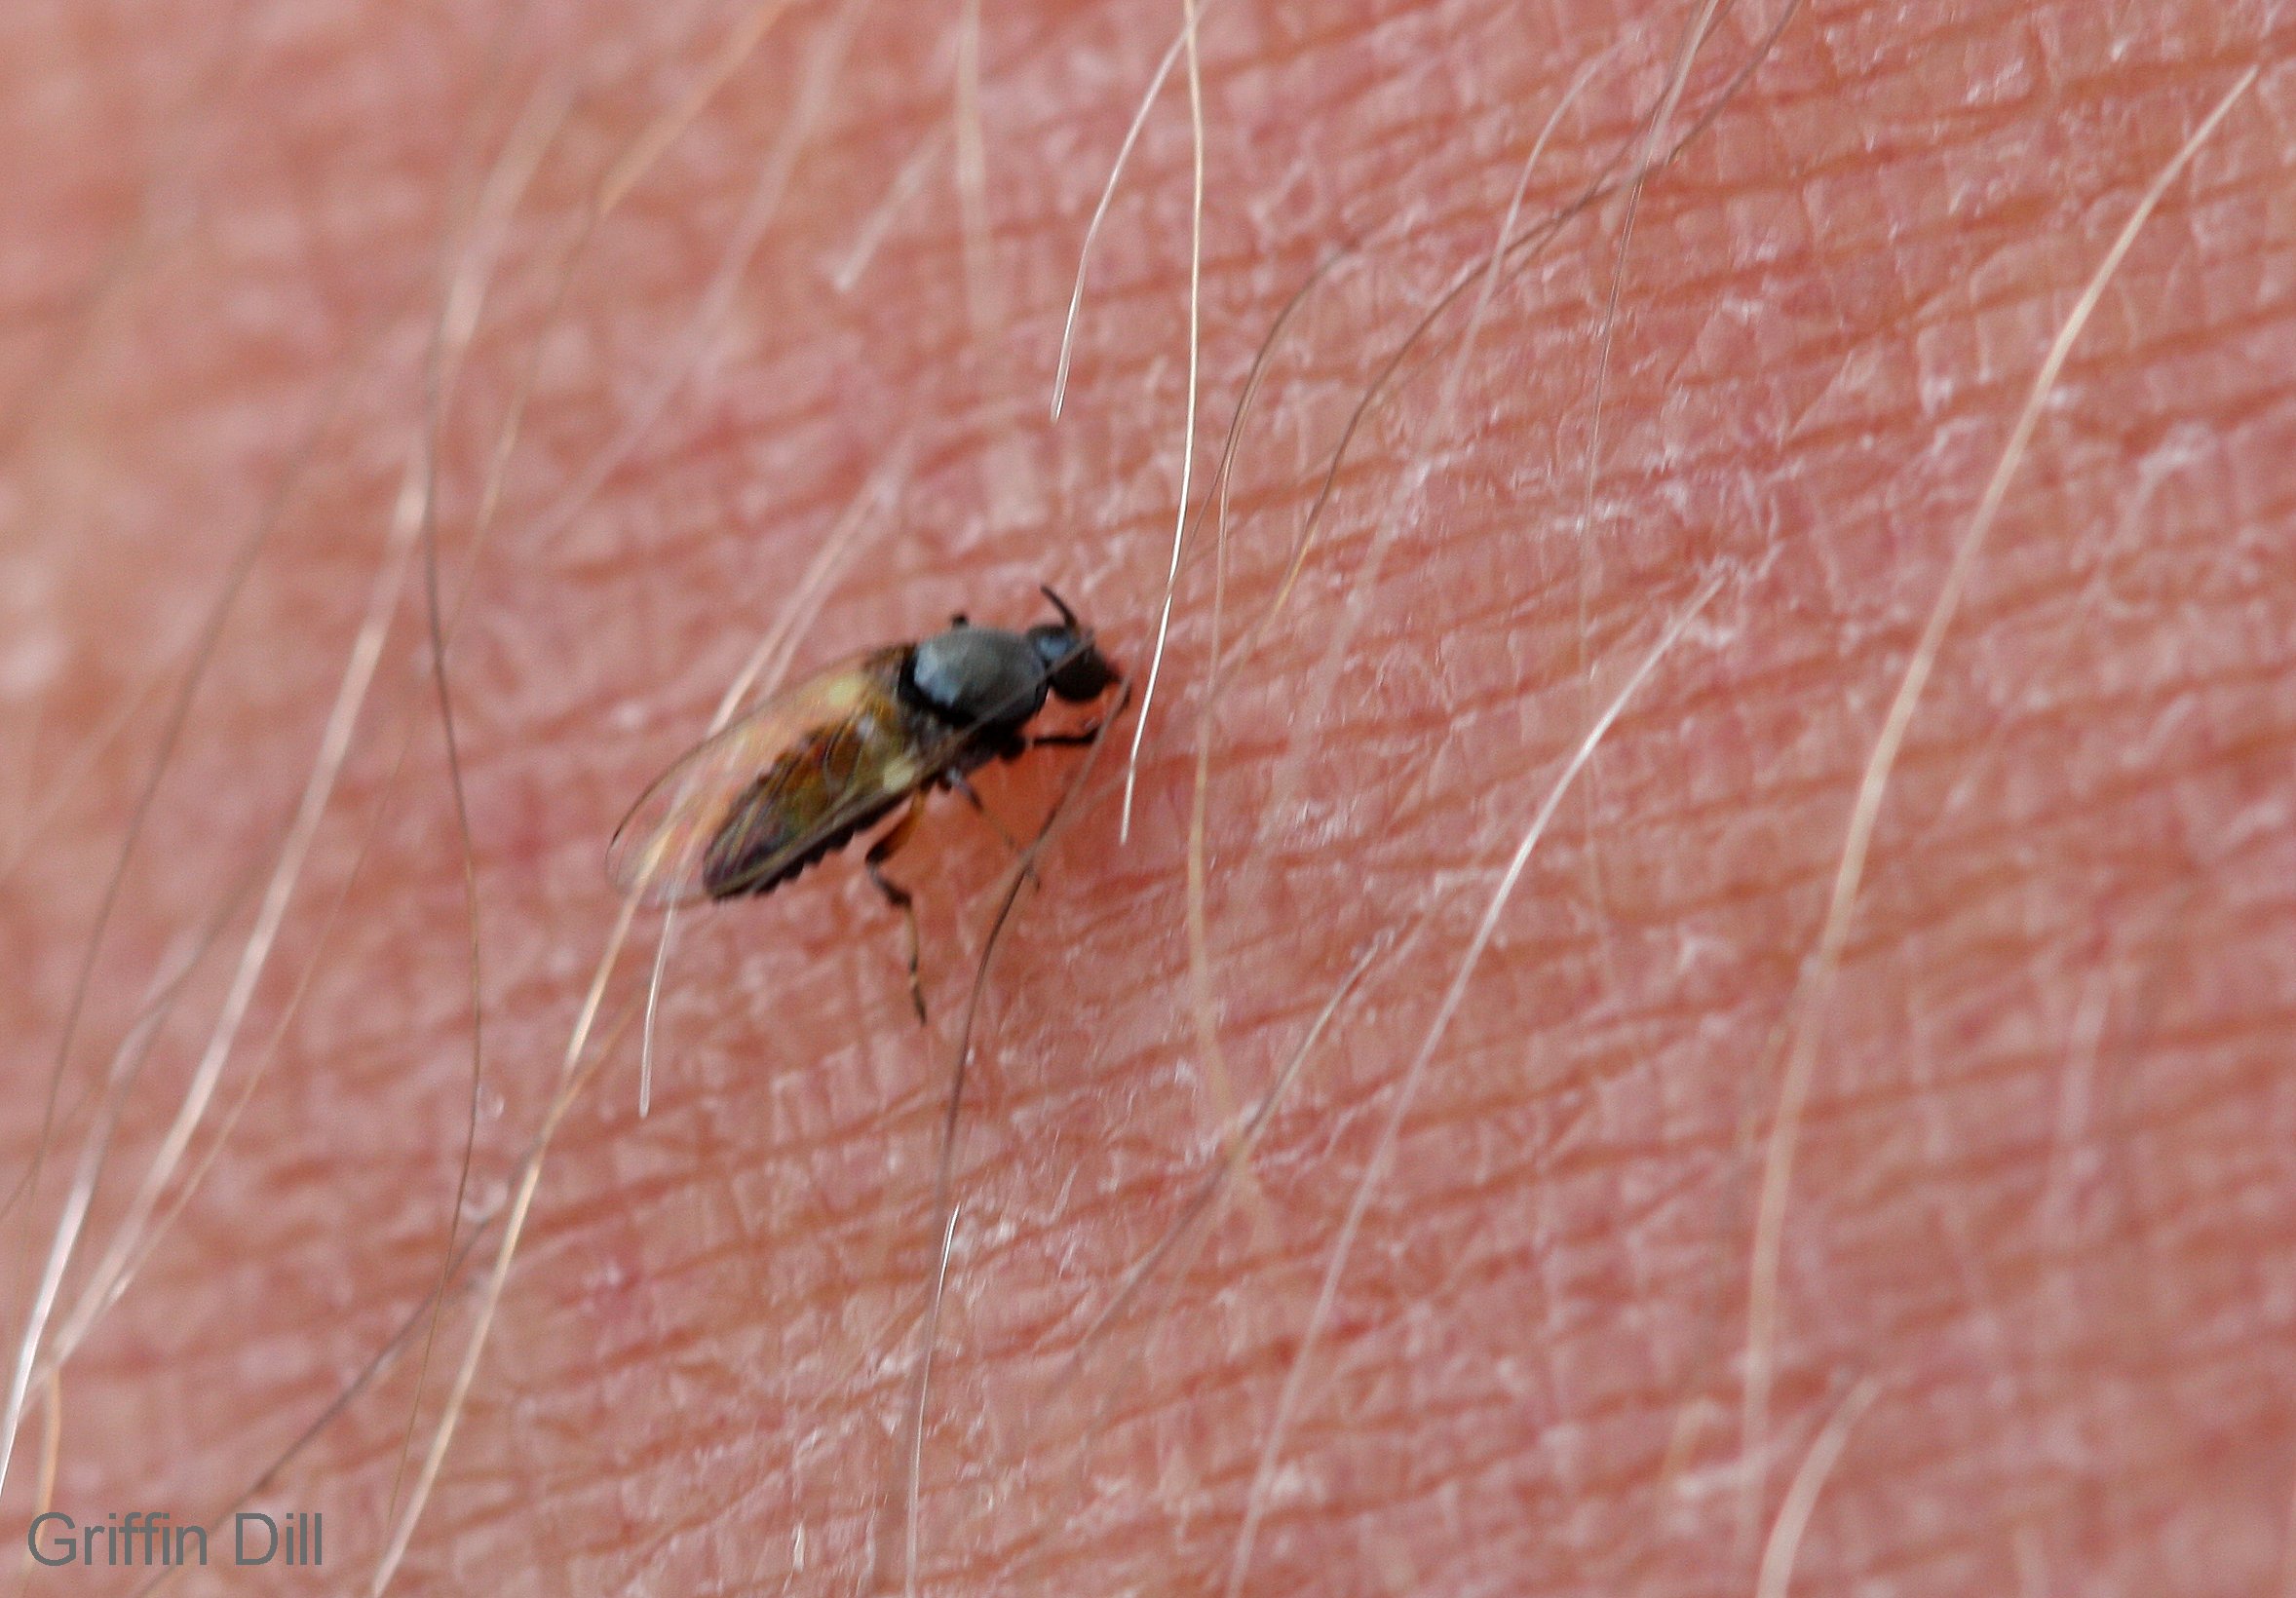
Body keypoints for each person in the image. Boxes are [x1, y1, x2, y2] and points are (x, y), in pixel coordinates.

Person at [5, 1, 2286, 1591]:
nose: (1067, 685)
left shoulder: (939, 676)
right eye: (1053, 681)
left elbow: (885, 700)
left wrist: (974, 715)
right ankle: (908, 956)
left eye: (1052, 671)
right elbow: (908, 756)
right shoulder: (957, 735)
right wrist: (980, 773)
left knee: (888, 803)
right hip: (860, 744)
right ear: (1004, 689)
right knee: (890, 849)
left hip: (864, 711)